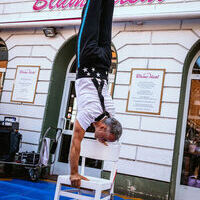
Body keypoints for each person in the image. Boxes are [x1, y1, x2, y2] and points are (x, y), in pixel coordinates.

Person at [69, 0, 122, 188]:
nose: (100, 139)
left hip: (105, 64)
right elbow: (76, 142)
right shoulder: (88, 114)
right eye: (102, 137)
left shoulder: (112, 114)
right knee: (92, 13)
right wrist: (74, 173)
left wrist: (106, 135)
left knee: (105, 15)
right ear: (101, 127)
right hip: (88, 57)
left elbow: (113, 128)